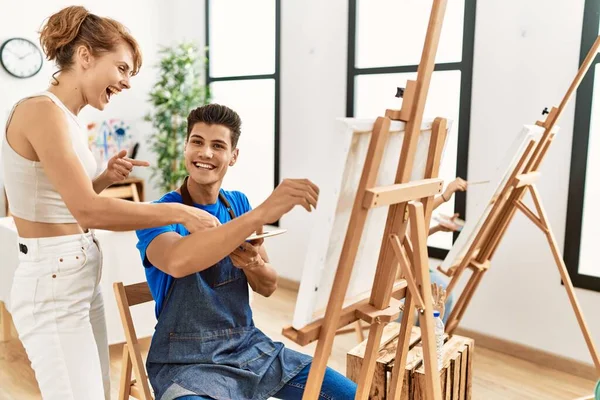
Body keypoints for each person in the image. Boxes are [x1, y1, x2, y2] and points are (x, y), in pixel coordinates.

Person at [2, 6, 218, 400]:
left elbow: (63, 201)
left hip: (77, 272)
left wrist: (102, 178)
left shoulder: (66, 116)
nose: (126, 82)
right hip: (52, 282)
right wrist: (178, 210)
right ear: (85, 56)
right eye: (121, 68)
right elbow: (86, 210)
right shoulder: (39, 111)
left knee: (97, 392)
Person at [135, 104, 357, 400]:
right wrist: (262, 213)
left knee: (351, 395)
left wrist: (253, 263)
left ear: (233, 156)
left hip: (248, 347)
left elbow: (268, 285)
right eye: (197, 142)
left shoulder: (237, 204)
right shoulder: (160, 212)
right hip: (184, 362)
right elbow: (177, 262)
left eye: (218, 146)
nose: (206, 154)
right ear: (186, 147)